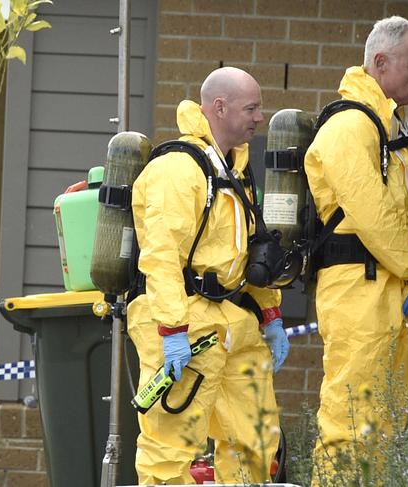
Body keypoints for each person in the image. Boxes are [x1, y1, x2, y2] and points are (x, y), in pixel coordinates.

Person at [126, 66, 290, 485]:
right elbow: (161, 256)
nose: (259, 118)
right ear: (220, 107)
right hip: (183, 323)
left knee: (255, 444)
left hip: (233, 323)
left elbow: (248, 249)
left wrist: (270, 315)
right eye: (251, 108)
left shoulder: (234, 170)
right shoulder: (178, 171)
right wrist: (172, 329)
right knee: (170, 451)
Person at [304, 16, 408, 480]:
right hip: (361, 289)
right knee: (351, 418)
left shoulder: (392, 130)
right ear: (381, 63)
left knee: (383, 423)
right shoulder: (351, 126)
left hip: (390, 288)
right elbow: (371, 210)